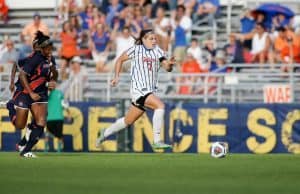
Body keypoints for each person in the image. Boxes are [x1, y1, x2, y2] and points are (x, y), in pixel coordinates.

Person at [96, 29, 175, 149]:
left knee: (128, 121)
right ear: (143, 40)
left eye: (155, 38)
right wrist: (116, 77)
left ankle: (104, 133)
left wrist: (169, 64)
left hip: (149, 90)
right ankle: (157, 140)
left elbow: (167, 68)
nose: (154, 41)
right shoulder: (136, 49)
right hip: (139, 89)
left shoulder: (158, 51)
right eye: (151, 39)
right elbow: (119, 60)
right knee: (160, 106)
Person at [6, 31, 57, 157]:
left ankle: (26, 150)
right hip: (25, 93)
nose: (50, 51)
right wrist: (13, 83)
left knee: (41, 122)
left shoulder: (51, 59)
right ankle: (10, 106)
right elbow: (20, 71)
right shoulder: (33, 59)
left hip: (41, 94)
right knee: (19, 125)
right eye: (48, 48)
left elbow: (54, 74)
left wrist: (53, 79)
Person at [45, 88, 69, 152]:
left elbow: (64, 104)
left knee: (59, 134)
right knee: (48, 132)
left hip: (59, 117)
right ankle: (46, 147)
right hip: (49, 118)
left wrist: (68, 114)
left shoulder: (59, 93)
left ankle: (59, 148)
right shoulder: (45, 93)